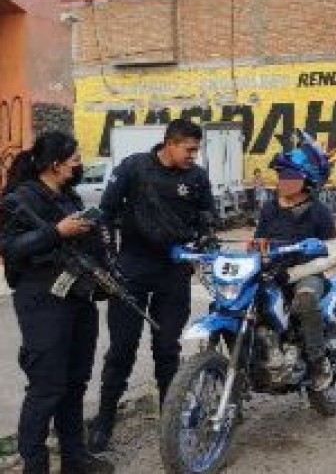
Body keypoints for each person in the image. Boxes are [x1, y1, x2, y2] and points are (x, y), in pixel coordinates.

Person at [87, 119, 215, 453]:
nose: (193, 156)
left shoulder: (197, 177)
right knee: (121, 351)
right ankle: (104, 423)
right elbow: (105, 215)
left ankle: (169, 422)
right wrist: (111, 262)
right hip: (132, 271)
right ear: (170, 143)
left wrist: (204, 238)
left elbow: (208, 217)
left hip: (174, 273)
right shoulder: (134, 168)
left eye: (196, 150)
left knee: (167, 350)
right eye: (189, 150)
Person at [0, 132, 114, 474]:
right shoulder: (20, 200)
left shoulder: (69, 197)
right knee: (47, 386)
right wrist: (56, 232)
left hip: (78, 296)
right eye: (75, 160)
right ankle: (34, 466)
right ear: (54, 164)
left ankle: (74, 459)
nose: (79, 166)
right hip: (41, 299)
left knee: (75, 381)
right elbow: (11, 249)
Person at [247, 130, 336, 391]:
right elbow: (260, 242)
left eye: (288, 176)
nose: (281, 181)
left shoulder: (319, 212)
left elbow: (334, 254)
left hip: (307, 275)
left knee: (306, 299)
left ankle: (317, 362)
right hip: (272, 272)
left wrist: (295, 273)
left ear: (306, 180)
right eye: (281, 175)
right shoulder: (270, 208)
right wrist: (256, 252)